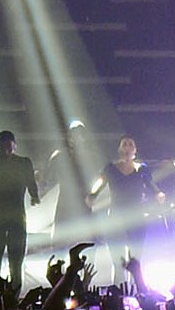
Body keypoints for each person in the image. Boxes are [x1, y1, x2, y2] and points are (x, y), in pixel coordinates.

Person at [86, 135, 165, 284]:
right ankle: (118, 293)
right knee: (118, 261)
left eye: (130, 144)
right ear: (120, 149)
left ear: (135, 149)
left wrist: (158, 193)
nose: (127, 147)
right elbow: (100, 183)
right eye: (124, 144)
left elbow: (150, 184)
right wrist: (92, 195)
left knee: (135, 260)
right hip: (116, 218)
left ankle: (137, 294)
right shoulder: (110, 168)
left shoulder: (142, 169)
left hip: (136, 218)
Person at [45, 120, 98, 250]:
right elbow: (48, 179)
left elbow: (99, 179)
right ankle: (58, 268)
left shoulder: (91, 156)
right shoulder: (59, 156)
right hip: (65, 204)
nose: (76, 138)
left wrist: (93, 194)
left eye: (79, 135)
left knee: (84, 243)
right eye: (72, 135)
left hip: (83, 203)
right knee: (60, 244)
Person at [0, 130, 40, 296]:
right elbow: (31, 181)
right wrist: (34, 195)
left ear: (14, 146)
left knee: (16, 261)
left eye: (8, 146)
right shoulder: (23, 163)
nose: (6, 150)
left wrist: (34, 195)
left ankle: (13, 296)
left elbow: (31, 181)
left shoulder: (23, 163)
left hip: (15, 217)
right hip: (14, 217)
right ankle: (12, 297)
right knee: (16, 260)